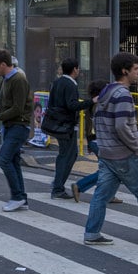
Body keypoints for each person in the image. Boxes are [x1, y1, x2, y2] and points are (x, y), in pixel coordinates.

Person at [82, 52, 138, 248]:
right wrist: (135, 146)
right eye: (136, 69)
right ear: (125, 71)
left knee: (101, 195)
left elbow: (101, 122)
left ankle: (91, 232)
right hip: (123, 154)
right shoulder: (123, 95)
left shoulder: (106, 93)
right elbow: (121, 126)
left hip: (107, 153)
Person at [0, 49, 33, 212]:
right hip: (11, 125)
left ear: (3, 64)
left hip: (18, 125)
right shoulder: (6, 79)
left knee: (4, 159)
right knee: (12, 161)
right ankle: (21, 197)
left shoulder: (18, 79)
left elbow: (18, 108)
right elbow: (10, 104)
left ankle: (18, 197)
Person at [46, 59, 94, 200]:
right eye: (78, 69)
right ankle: (58, 187)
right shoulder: (70, 84)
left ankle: (57, 183)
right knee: (68, 155)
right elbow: (72, 105)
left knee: (67, 154)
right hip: (67, 125)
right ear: (75, 69)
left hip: (58, 124)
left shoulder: (57, 82)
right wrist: (91, 102)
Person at [70, 79, 122, 205]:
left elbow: (89, 126)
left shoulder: (92, 105)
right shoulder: (100, 105)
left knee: (109, 169)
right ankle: (80, 186)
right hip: (102, 142)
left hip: (95, 141)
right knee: (111, 170)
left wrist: (89, 142)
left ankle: (109, 195)